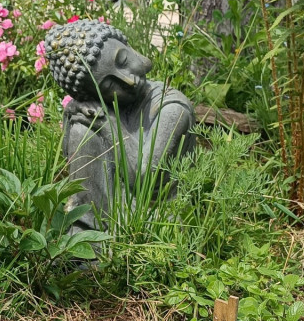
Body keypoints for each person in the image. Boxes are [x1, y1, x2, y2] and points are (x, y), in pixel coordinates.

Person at [45, 19, 196, 234]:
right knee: (82, 129)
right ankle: (84, 232)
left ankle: (103, 237)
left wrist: (110, 125)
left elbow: (144, 179)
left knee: (93, 125)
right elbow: (71, 160)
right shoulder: (110, 107)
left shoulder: (172, 108)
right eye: (109, 85)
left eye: (123, 60)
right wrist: (75, 113)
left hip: (157, 215)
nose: (129, 81)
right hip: (111, 206)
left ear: (128, 46)